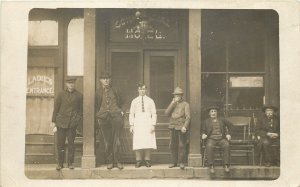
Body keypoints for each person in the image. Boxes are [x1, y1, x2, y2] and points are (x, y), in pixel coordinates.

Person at [52, 77, 83, 171]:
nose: (71, 85)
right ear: (66, 84)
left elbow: (81, 111)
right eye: (69, 83)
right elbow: (56, 108)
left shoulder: (79, 95)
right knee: (60, 144)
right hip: (61, 122)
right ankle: (60, 164)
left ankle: (70, 163)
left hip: (72, 124)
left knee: (71, 144)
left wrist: (76, 120)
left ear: (75, 84)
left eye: (72, 83)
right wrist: (54, 121)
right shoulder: (61, 94)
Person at [95, 72, 124, 170]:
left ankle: (118, 161)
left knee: (117, 141)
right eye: (103, 78)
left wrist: (121, 112)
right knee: (108, 142)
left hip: (116, 118)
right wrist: (98, 115)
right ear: (100, 80)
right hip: (103, 119)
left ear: (110, 80)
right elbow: (96, 106)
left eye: (107, 78)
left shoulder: (116, 90)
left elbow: (123, 102)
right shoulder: (98, 92)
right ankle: (110, 161)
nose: (106, 80)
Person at [129, 83, 157, 168]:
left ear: (146, 90)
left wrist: (153, 124)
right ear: (138, 90)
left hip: (148, 122)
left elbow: (154, 113)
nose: (142, 91)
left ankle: (147, 160)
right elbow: (131, 113)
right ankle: (138, 160)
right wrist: (131, 125)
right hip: (138, 123)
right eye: (140, 89)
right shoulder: (134, 101)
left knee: (148, 141)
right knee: (138, 141)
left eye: (144, 89)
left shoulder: (150, 100)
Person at [201, 105, 232, 174]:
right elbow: (203, 130)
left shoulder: (222, 119)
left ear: (217, 113)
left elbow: (231, 125)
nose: (213, 113)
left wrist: (228, 134)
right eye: (212, 111)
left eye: (215, 111)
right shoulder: (206, 121)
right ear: (209, 113)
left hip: (221, 138)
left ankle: (226, 165)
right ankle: (211, 166)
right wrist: (203, 134)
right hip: (211, 139)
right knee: (209, 146)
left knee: (226, 145)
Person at [165, 87, 190, 170]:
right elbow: (166, 113)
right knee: (172, 145)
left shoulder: (186, 104)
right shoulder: (172, 103)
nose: (177, 96)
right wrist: (172, 103)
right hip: (172, 126)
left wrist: (185, 126)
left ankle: (181, 162)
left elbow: (188, 117)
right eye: (176, 95)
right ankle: (173, 162)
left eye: (179, 95)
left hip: (181, 126)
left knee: (181, 145)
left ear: (182, 96)